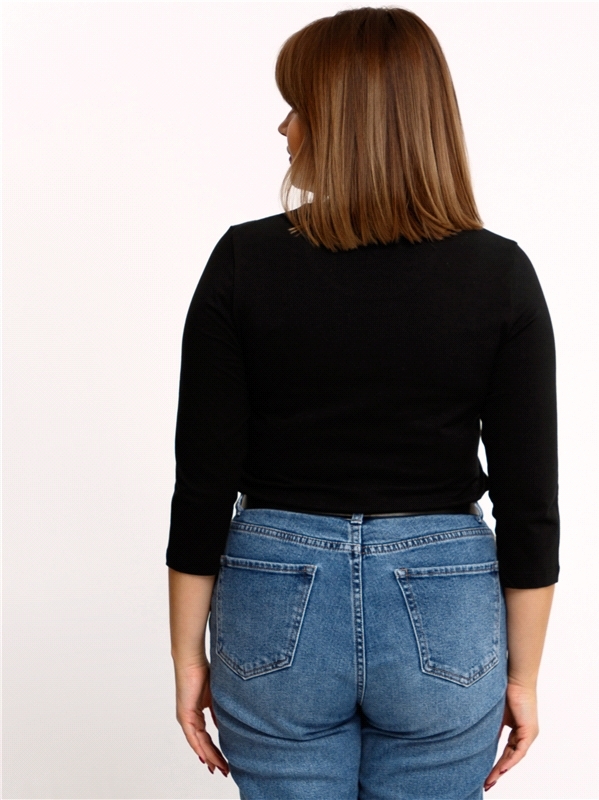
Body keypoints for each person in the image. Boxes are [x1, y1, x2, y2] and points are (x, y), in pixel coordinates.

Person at [166, 7, 558, 799]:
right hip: (443, 599)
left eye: (297, 106)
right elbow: (529, 504)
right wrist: (522, 676)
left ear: (341, 123)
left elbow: (202, 487)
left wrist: (186, 663)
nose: (283, 128)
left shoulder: (243, 260)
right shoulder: (500, 275)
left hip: (272, 587)